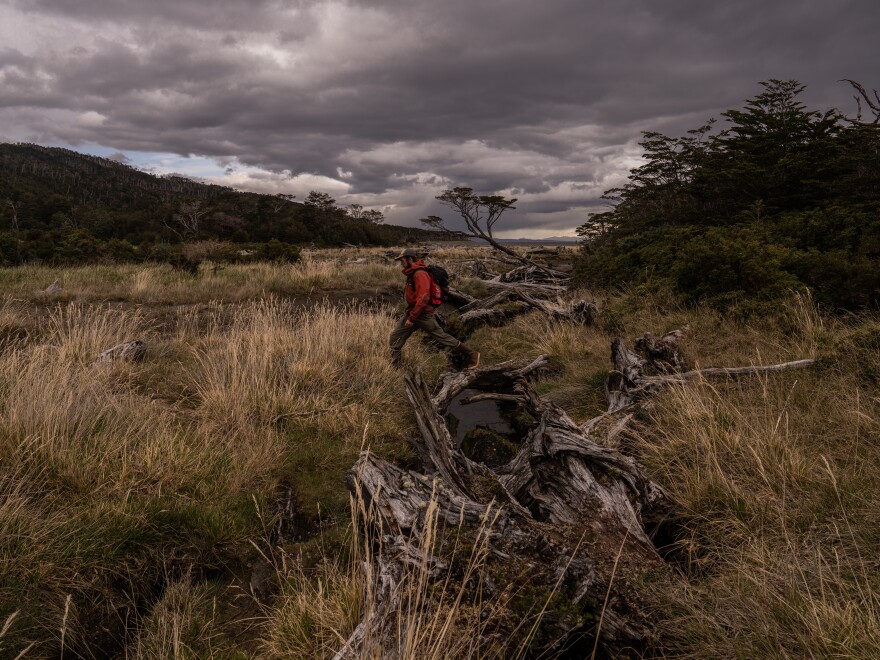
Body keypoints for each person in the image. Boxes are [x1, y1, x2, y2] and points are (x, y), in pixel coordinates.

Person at [389, 248, 480, 369]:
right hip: (413, 312)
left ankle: (472, 354)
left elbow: (424, 297)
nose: (401, 263)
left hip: (422, 314)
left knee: (442, 337)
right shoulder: (413, 272)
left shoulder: (419, 274)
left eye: (402, 260)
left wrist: (412, 318)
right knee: (395, 337)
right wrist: (411, 315)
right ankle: (396, 368)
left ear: (410, 259)